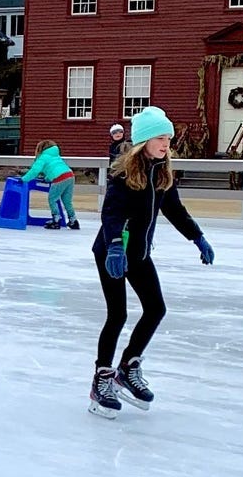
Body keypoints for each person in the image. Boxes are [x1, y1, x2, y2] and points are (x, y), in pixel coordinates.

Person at [91, 106, 213, 419]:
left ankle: (128, 367)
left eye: (168, 138)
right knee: (117, 315)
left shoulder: (162, 173)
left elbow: (175, 210)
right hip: (112, 252)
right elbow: (112, 214)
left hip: (139, 254)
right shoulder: (123, 173)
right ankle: (101, 379)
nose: (166, 144)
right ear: (144, 140)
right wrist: (115, 245)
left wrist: (197, 237)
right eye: (160, 137)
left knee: (156, 309)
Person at [21, 139, 80, 230]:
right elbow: (54, 169)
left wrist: (24, 179)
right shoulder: (56, 156)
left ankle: (56, 220)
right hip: (70, 175)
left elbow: (35, 171)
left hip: (60, 178)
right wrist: (47, 179)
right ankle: (73, 220)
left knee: (52, 199)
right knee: (67, 200)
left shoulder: (43, 157)